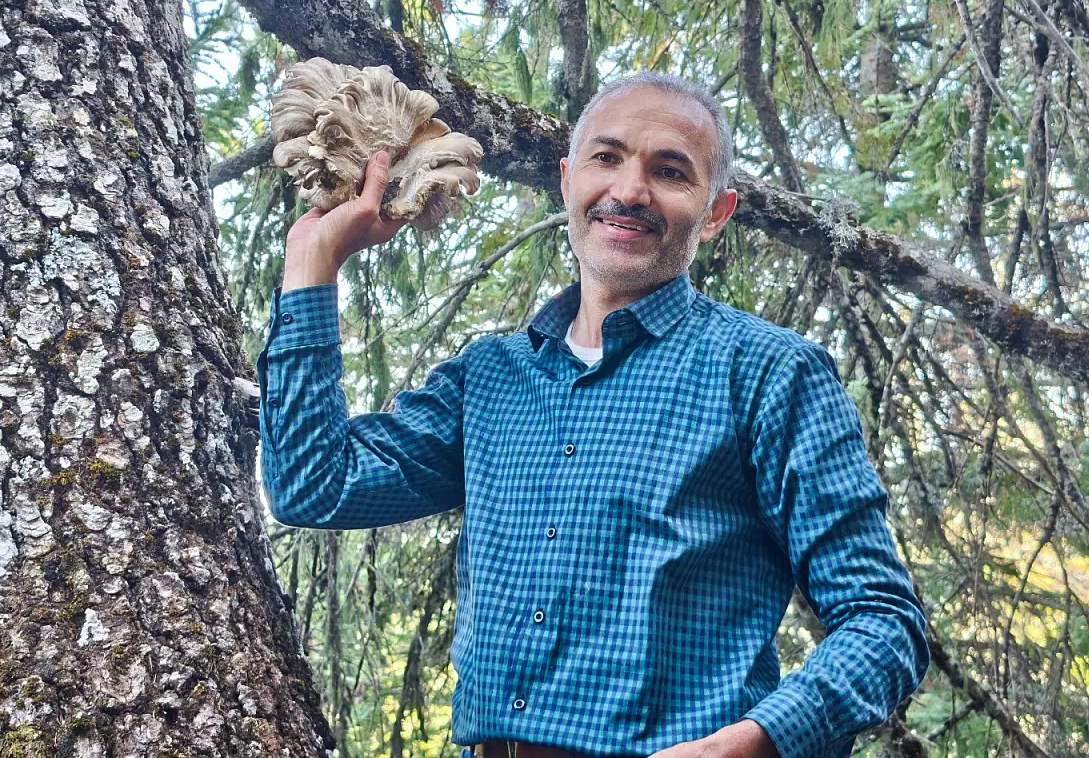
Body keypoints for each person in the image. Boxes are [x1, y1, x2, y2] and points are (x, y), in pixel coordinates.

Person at [257, 72, 930, 758]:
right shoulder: (489, 379)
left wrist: (752, 743)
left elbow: (883, 622)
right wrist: (312, 261)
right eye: (606, 157)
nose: (630, 191)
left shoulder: (769, 373)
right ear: (567, 180)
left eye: (670, 171)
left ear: (716, 212)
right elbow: (314, 485)